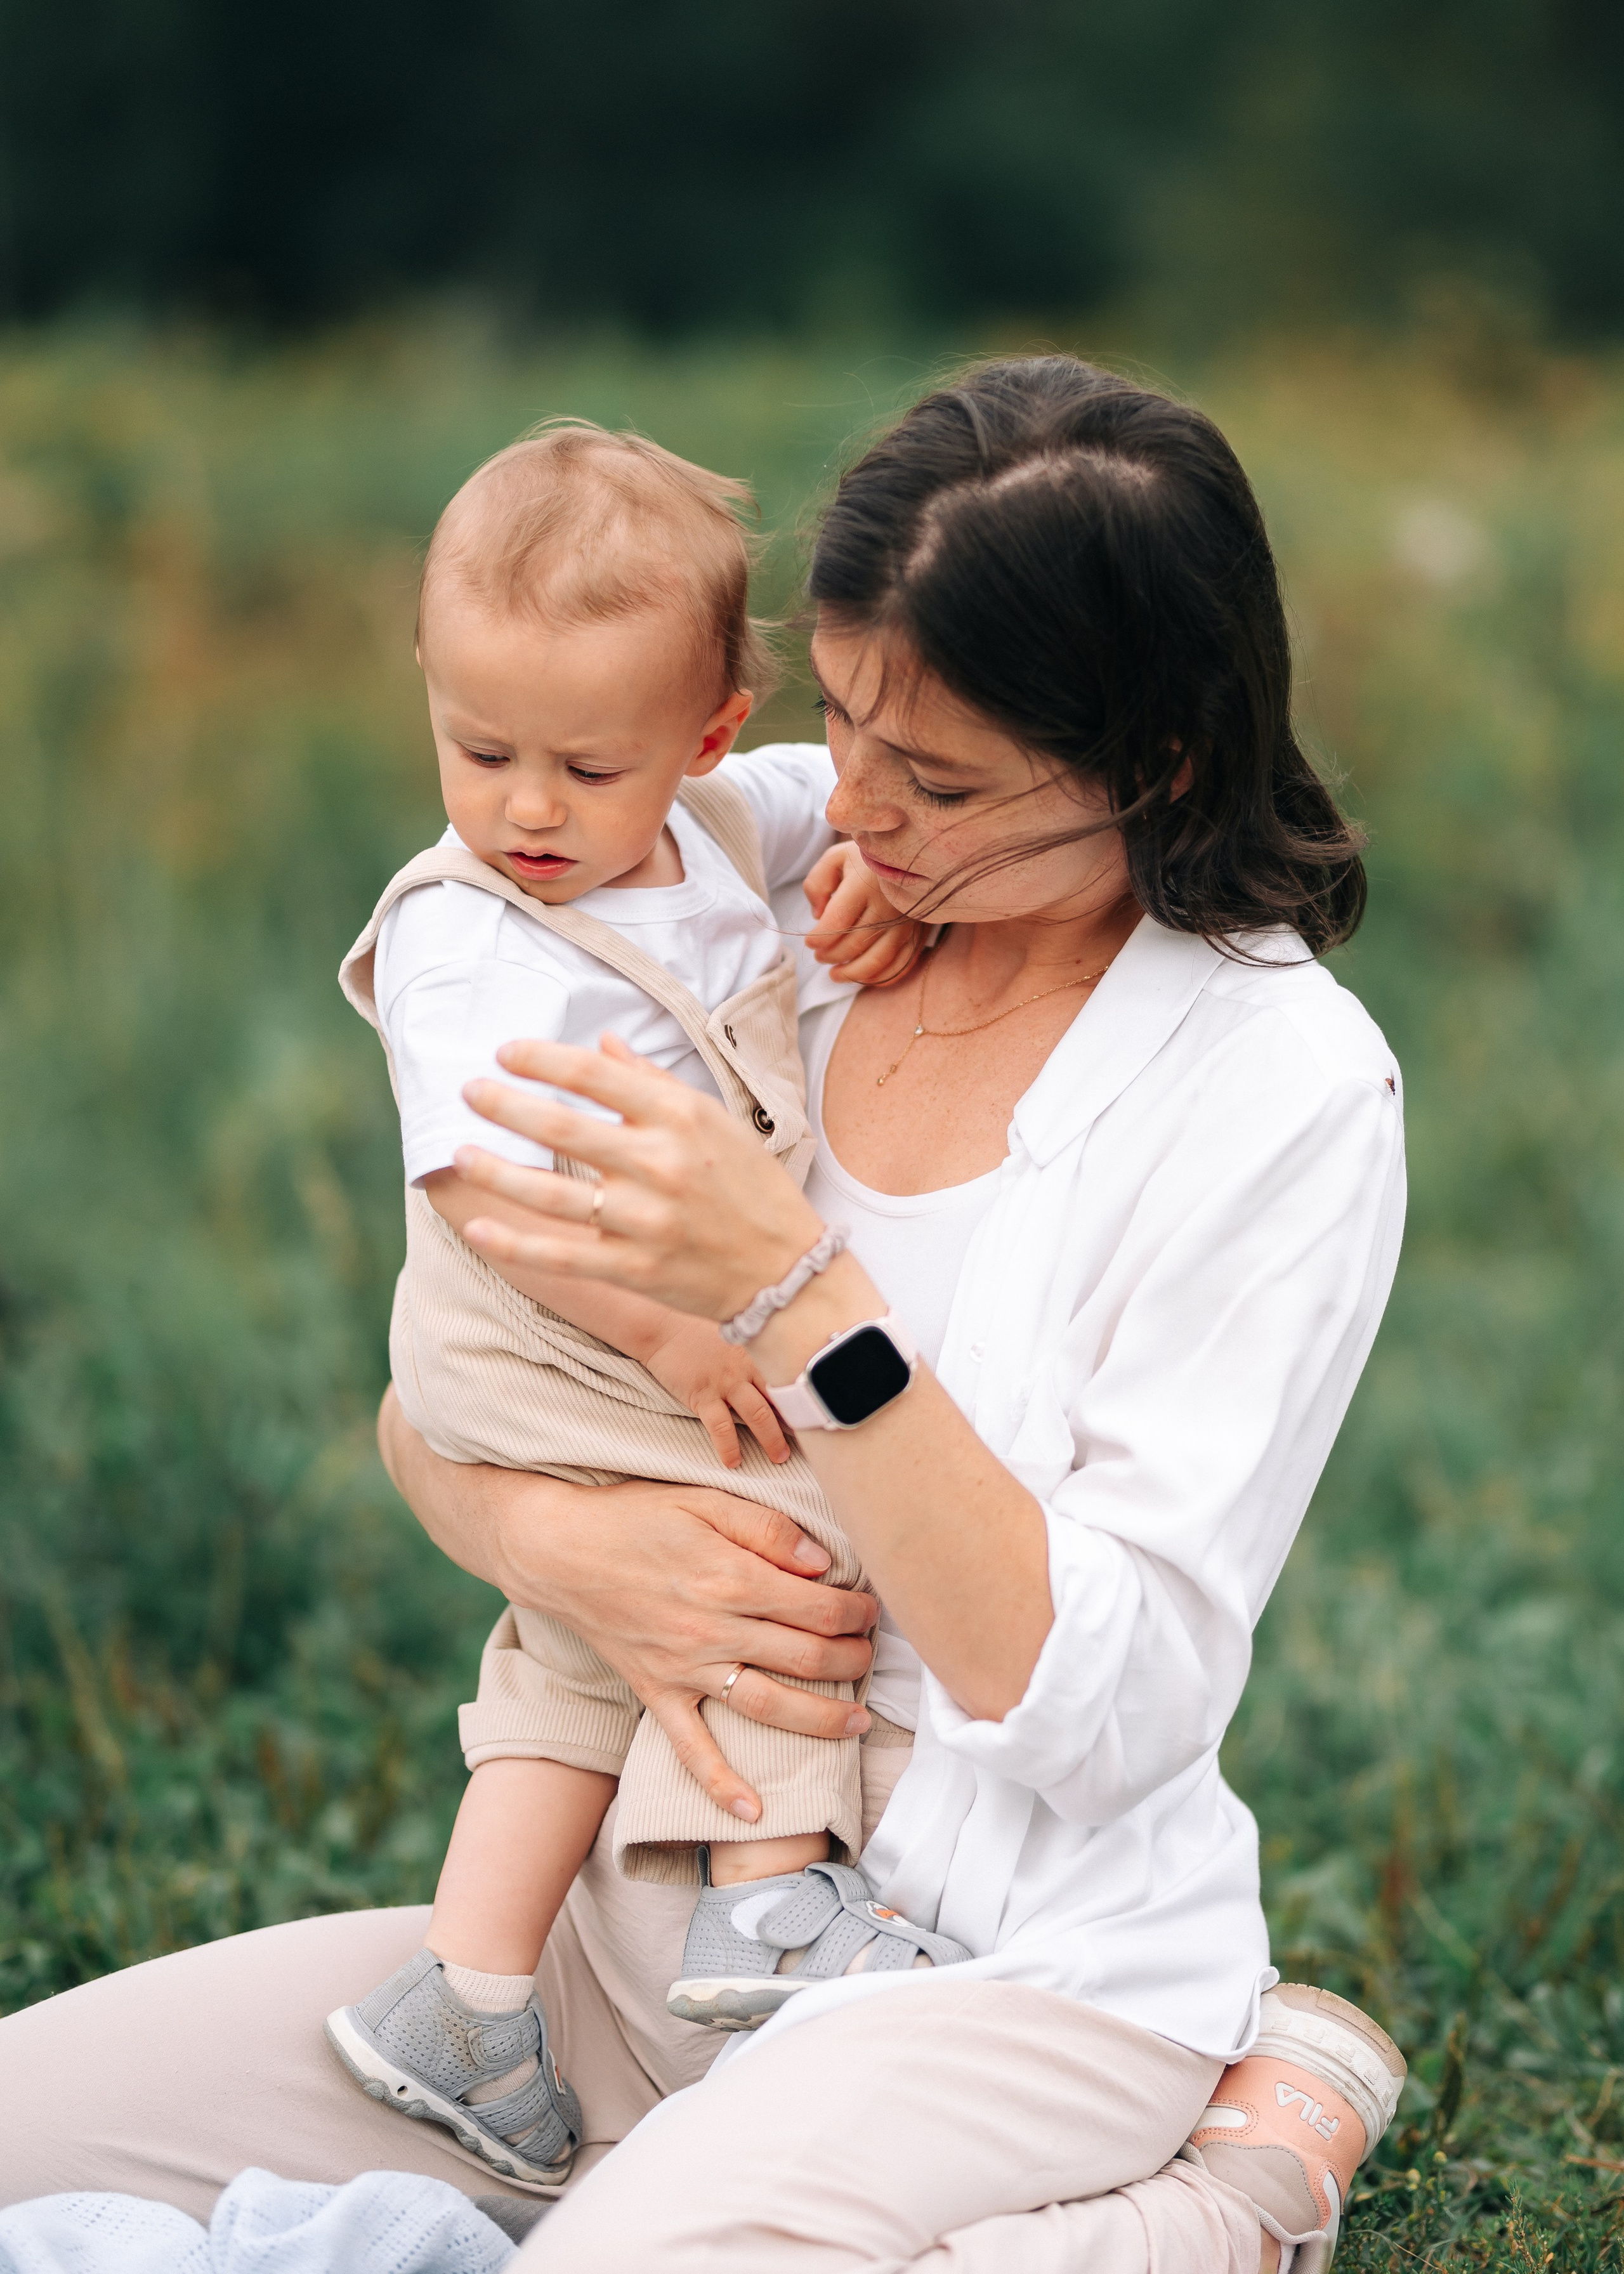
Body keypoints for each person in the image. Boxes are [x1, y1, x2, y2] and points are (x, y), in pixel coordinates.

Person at [0, 356, 1408, 2273]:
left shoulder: (1279, 1088)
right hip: (600, 1940)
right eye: (840, 723)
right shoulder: (741, 879)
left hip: (996, 1974)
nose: (859, 811)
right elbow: (443, 1401)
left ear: (1155, 761)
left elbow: (1114, 1710)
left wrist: (798, 1292)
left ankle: (1233, 2189)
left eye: (944, 782)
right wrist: (563, 1539)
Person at [329, 421, 954, 2188]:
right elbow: (486, 1193)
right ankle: (773, 1905)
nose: (528, 808)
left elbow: (852, 799)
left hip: (610, 1298)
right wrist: (679, 1333)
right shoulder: (467, 936)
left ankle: (466, 1993)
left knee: (590, 1640)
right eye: (479, 747)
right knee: (778, 1515)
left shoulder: (714, 822)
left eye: (585, 767)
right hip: (542, 1308)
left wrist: (880, 862)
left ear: (695, 740)